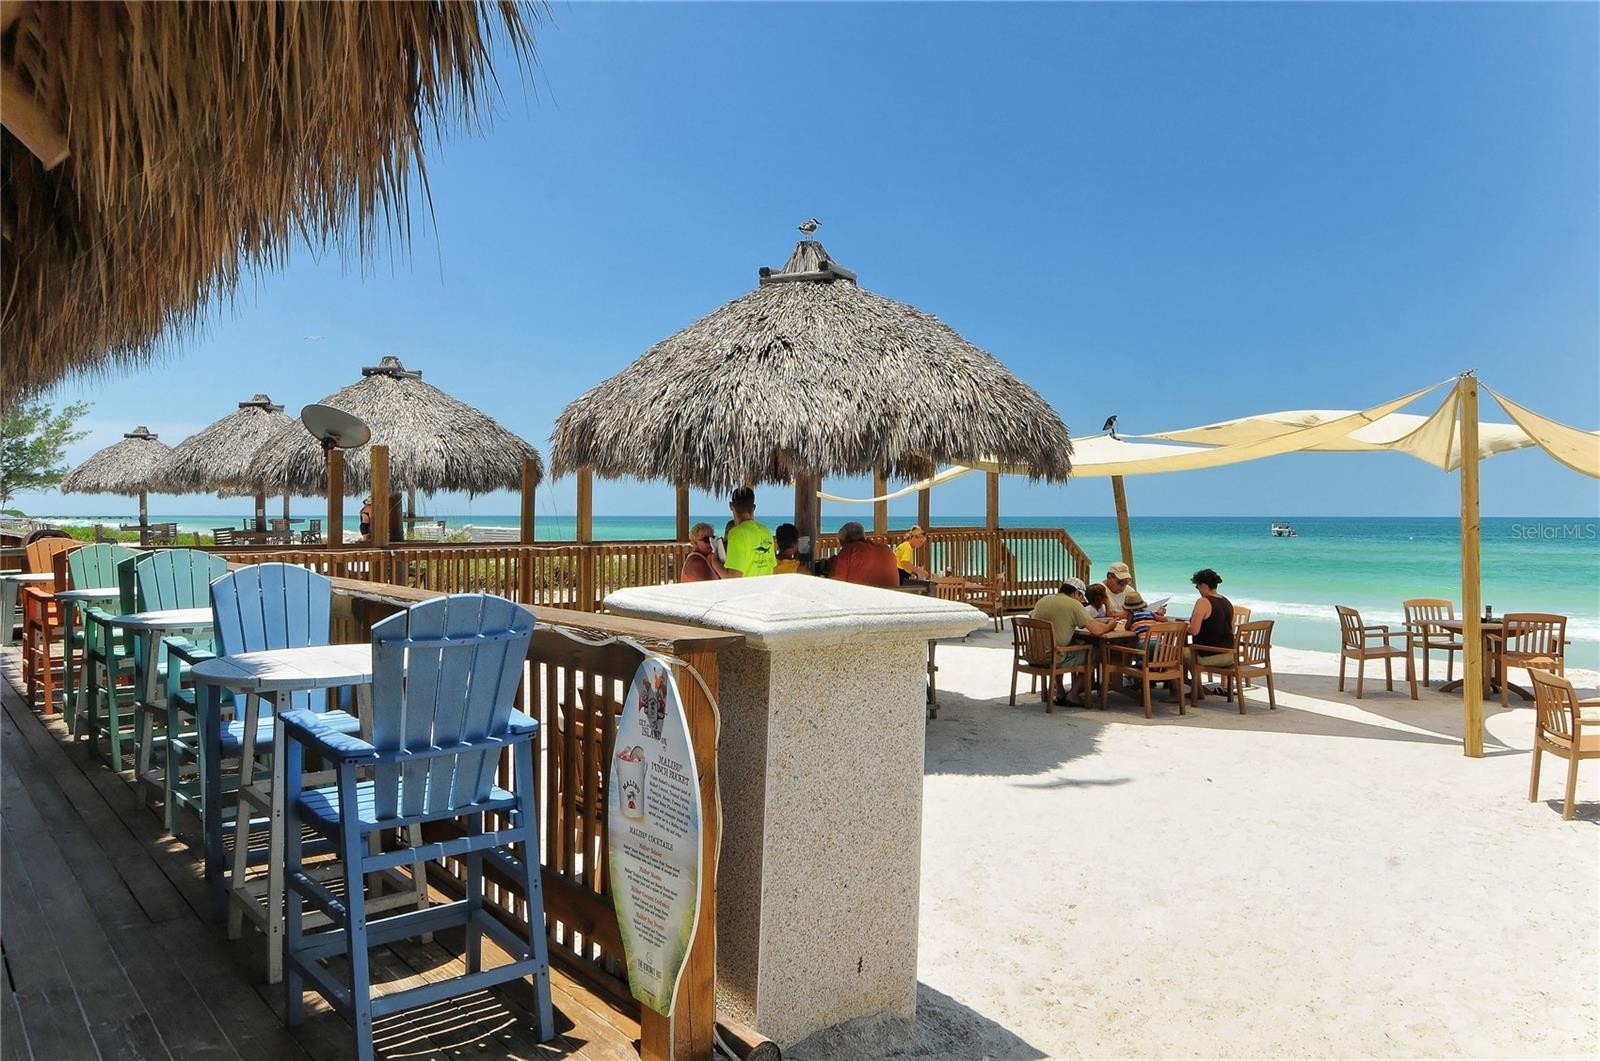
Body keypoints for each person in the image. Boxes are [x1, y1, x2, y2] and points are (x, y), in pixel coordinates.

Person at [1028, 577, 1115, 707]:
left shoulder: (1043, 600)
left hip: (1033, 655)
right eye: (1080, 597)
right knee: (1096, 652)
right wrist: (1109, 626)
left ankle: (1060, 692)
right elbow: (1097, 630)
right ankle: (1073, 694)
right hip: (1054, 658)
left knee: (1063, 644)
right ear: (1076, 592)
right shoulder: (1073, 605)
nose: (1080, 601)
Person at [722, 487, 777, 577]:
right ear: (754, 507)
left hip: (747, 586)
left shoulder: (737, 533)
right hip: (767, 585)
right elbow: (773, 568)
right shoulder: (766, 531)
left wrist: (714, 561)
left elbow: (732, 577)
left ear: (731, 506)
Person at [828, 522, 899, 588]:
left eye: (842, 544)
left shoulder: (849, 549)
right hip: (892, 595)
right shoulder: (886, 549)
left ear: (847, 540)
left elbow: (835, 583)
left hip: (862, 596)